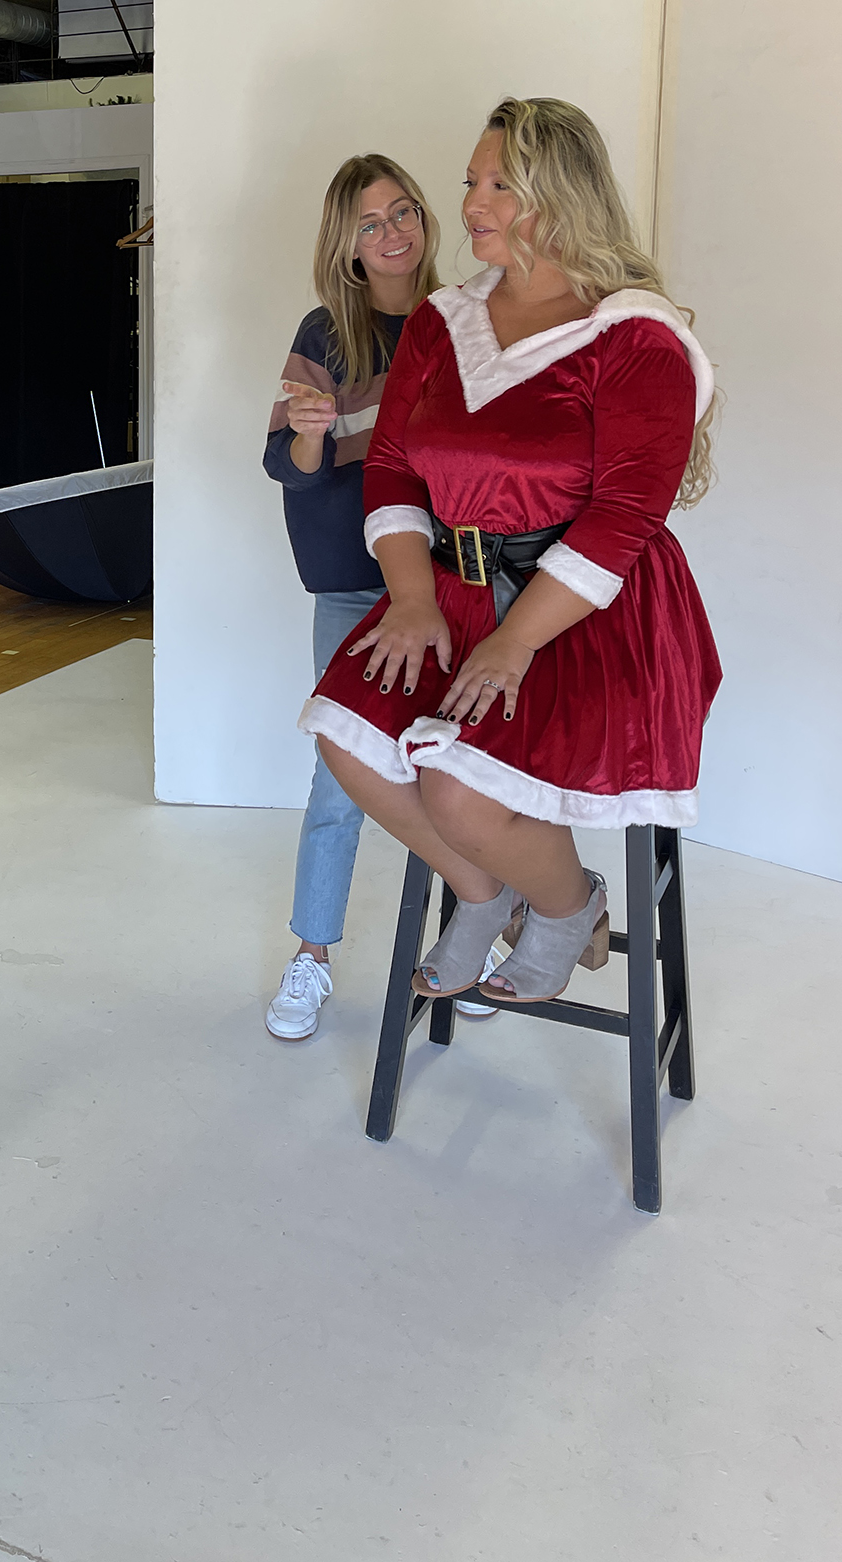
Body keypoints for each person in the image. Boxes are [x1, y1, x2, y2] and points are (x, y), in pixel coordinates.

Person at [299, 98, 720, 1007]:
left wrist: (514, 641)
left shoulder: (633, 333)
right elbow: (397, 470)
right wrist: (411, 597)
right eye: (470, 183)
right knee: (351, 745)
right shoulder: (442, 322)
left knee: (457, 794)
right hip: (453, 587)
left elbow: (623, 517)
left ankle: (569, 908)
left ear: (560, 197)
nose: (472, 204)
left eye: (498, 185)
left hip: (590, 612)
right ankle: (486, 896)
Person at [260, 153, 499, 1039]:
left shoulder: (466, 321)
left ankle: (467, 942)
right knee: (343, 781)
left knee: (459, 771)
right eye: (371, 223)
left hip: (454, 582)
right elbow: (283, 463)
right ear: (348, 245)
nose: (394, 232)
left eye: (404, 213)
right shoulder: (326, 332)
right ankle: (312, 958)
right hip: (352, 582)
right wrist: (316, 436)